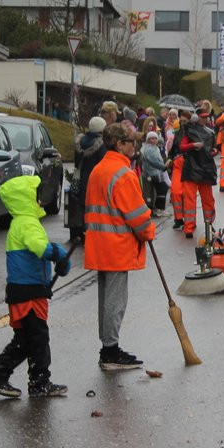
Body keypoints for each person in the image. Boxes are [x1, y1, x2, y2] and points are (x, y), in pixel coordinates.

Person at [0, 176, 71, 398]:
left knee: (24, 339)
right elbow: (38, 247)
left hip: (20, 290)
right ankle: (39, 382)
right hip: (30, 292)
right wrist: (57, 252)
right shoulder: (28, 223)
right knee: (38, 339)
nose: (40, 200)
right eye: (37, 196)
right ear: (28, 198)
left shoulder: (18, 222)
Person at [84, 123, 155, 370]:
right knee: (115, 301)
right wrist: (149, 230)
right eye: (131, 142)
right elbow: (137, 217)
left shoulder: (99, 170)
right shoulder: (123, 174)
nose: (134, 146)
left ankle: (108, 347)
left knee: (106, 300)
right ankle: (110, 352)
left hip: (99, 244)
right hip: (116, 245)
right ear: (119, 144)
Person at [178, 113, 217, 239]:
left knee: (208, 200)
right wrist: (193, 145)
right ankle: (188, 227)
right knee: (190, 200)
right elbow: (182, 147)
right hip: (192, 168)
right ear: (196, 117)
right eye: (202, 117)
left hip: (205, 168)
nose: (204, 119)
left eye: (206, 117)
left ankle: (209, 224)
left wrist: (214, 151)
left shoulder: (211, 132)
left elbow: (214, 148)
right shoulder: (189, 130)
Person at [69, 117, 107, 242]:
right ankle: (90, 232)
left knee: (80, 204)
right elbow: (103, 163)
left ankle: (79, 232)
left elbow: (76, 162)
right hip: (94, 178)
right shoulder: (101, 145)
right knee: (92, 206)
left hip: (80, 177)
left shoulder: (80, 142)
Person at [141, 131, 168, 215]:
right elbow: (154, 161)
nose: (153, 140)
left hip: (155, 173)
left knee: (154, 192)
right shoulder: (149, 149)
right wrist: (164, 167)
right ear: (148, 140)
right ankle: (156, 208)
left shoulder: (154, 147)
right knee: (158, 190)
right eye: (151, 138)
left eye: (155, 138)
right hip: (150, 174)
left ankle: (155, 208)